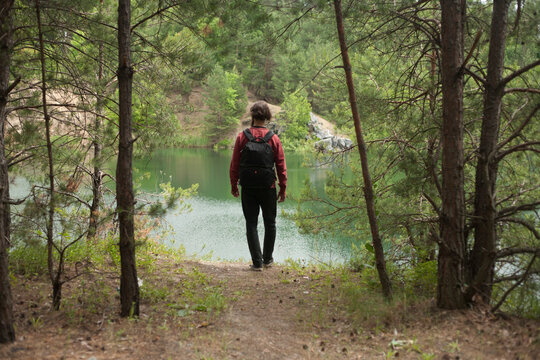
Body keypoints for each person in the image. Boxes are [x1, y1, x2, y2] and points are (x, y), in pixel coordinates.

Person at [230, 101, 287, 271]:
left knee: (251, 224)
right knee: (270, 223)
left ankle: (257, 263)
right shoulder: (273, 139)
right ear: (267, 117)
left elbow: (234, 164)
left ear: (253, 116)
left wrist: (234, 185)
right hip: (268, 187)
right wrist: (282, 187)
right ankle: (267, 260)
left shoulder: (242, 137)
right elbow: (281, 165)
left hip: (248, 187)